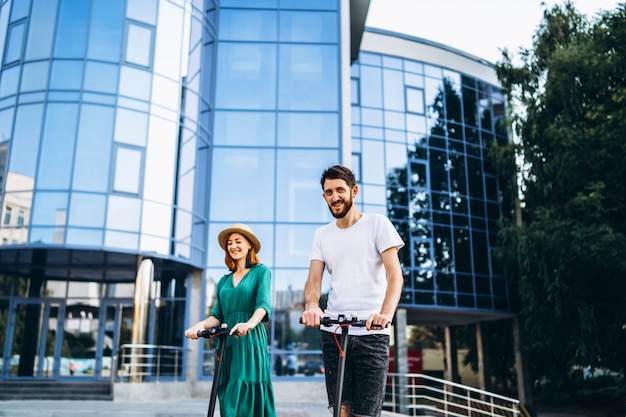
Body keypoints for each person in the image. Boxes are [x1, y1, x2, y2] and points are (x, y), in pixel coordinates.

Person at [301, 165, 404, 417]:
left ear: (353, 191)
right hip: (334, 331)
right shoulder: (322, 235)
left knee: (367, 413)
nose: (335, 197)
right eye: (328, 192)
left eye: (340, 190)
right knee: (341, 410)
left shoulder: (377, 224)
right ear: (324, 196)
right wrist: (312, 305)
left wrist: (385, 314)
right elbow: (313, 281)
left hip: (372, 331)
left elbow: (395, 276)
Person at [185, 223, 276, 417]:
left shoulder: (261, 271)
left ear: (250, 245)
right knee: (226, 392)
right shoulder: (224, 281)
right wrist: (200, 325)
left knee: (243, 393)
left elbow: (263, 305)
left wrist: (249, 324)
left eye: (238, 241)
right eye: (229, 243)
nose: (233, 246)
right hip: (227, 344)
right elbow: (217, 315)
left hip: (250, 341)